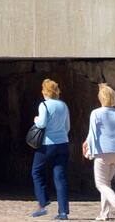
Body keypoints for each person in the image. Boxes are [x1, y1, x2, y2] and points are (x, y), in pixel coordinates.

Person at [84, 84, 115, 221]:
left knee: (100, 184)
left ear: (100, 98)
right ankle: (104, 214)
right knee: (106, 183)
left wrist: (89, 151)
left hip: (102, 153)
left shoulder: (96, 113)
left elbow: (92, 133)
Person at [30, 79, 71, 219]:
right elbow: (67, 127)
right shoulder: (63, 105)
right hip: (63, 144)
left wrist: (36, 120)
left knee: (36, 171)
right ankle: (63, 211)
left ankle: (43, 202)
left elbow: (41, 124)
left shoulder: (44, 105)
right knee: (60, 176)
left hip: (47, 144)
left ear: (45, 92)